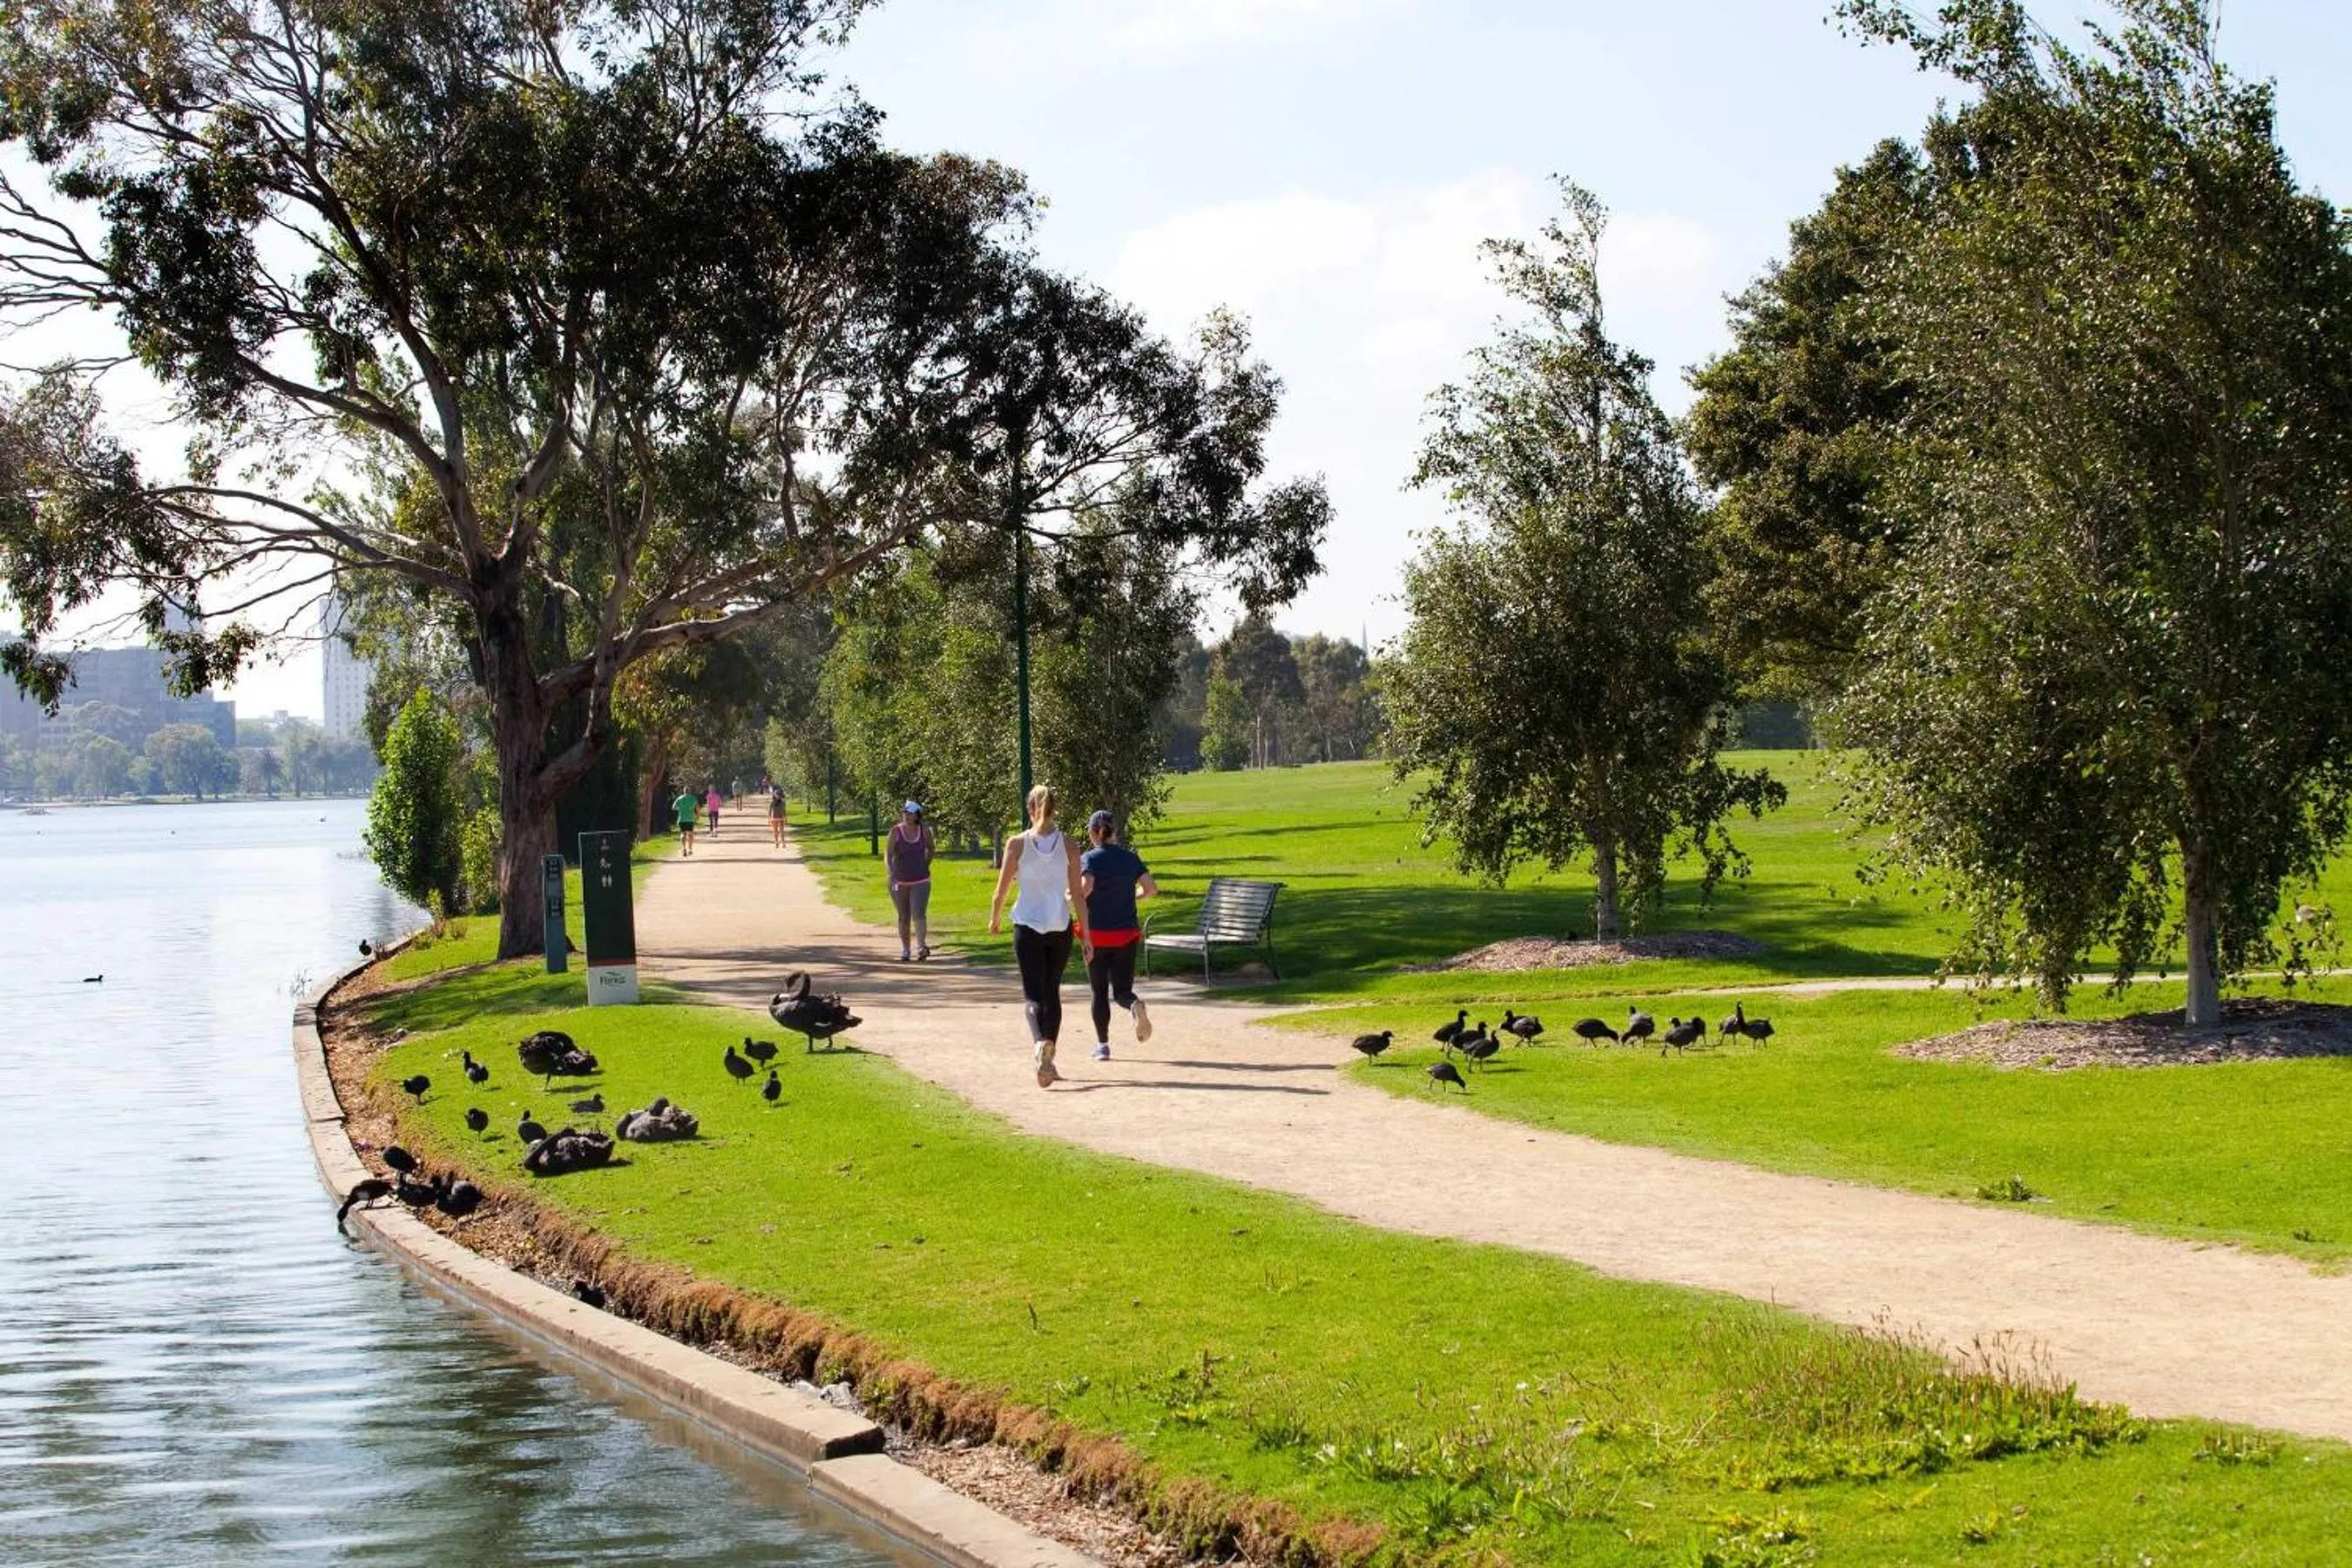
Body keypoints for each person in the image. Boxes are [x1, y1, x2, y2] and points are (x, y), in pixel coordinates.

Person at [988, 784, 1086, 1088]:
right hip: (1059, 925)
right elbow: (1078, 895)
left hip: (1027, 926)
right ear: (1054, 810)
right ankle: (1049, 1056)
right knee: (1052, 992)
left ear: (1030, 809)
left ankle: (1040, 1043)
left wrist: (995, 918)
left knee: (1033, 995)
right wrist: (1087, 935)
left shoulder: (1017, 844)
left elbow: (1001, 890)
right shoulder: (1070, 845)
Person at [1078, 809, 1157, 1060]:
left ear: (1092, 833)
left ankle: (1102, 1046)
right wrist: (1134, 896)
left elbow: (1087, 886)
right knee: (1122, 990)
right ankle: (1133, 1004)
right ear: (1114, 831)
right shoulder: (1130, 858)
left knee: (1099, 991)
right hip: (1126, 934)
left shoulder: (1089, 858)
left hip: (1097, 935)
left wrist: (1071, 897)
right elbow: (1151, 888)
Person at [886, 801, 935, 962]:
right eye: (905, 813)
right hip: (899, 880)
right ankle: (906, 950)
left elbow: (931, 849)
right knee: (903, 916)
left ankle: (921, 946)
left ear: (917, 816)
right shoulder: (895, 831)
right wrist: (891, 871)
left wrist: (925, 864)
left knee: (919, 913)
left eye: (910, 813)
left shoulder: (924, 831)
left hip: (921, 880)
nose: (906, 816)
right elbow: (888, 854)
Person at [672, 782, 700, 855]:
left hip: (682, 819)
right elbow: (697, 808)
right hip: (690, 819)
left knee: (683, 833)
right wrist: (697, 816)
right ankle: (690, 849)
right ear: (689, 791)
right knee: (690, 834)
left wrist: (680, 809)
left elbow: (673, 807)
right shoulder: (693, 798)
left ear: (684, 791)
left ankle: (684, 848)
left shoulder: (679, 798)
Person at [767, 782, 787, 848]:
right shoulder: (772, 802)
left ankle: (783, 842)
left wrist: (786, 818)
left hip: (781, 818)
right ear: (774, 795)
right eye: (777, 795)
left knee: (782, 831)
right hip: (774, 818)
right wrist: (769, 819)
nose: (778, 796)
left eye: (779, 795)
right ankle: (776, 842)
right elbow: (770, 811)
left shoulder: (783, 803)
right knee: (775, 831)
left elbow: (784, 811)